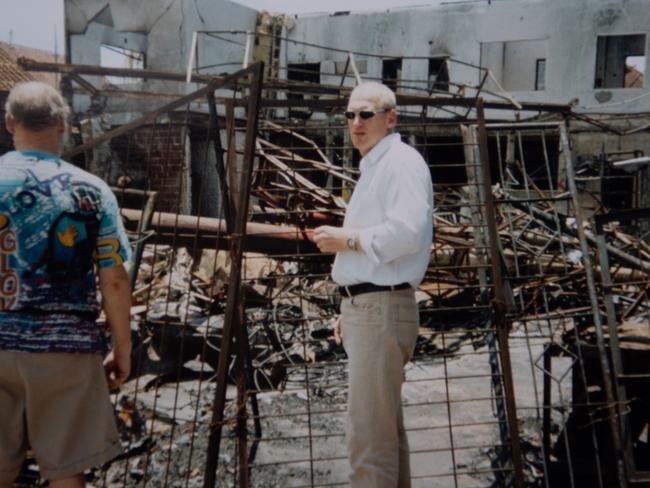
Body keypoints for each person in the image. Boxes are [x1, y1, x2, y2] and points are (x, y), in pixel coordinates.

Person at [0, 81, 132, 488]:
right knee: (66, 471)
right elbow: (113, 279)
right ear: (63, 124)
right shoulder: (92, 191)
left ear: (9, 122)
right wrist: (122, 347)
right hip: (66, 349)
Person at [313, 81, 433, 487]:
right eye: (350, 115)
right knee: (383, 435)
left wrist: (343, 240)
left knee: (368, 440)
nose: (356, 123)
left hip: (380, 308)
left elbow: (406, 234)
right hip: (372, 307)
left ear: (391, 118)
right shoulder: (380, 165)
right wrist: (352, 305)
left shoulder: (399, 162)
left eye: (366, 114)